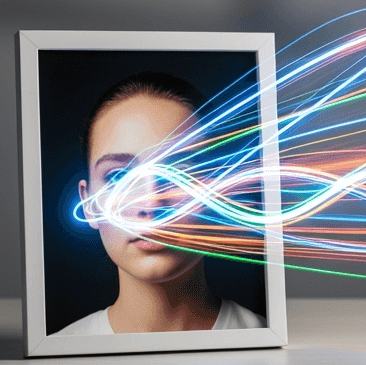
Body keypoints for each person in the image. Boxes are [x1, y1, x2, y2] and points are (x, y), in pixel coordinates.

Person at [54, 71, 264, 335]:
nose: (151, 201)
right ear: (89, 204)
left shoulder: (261, 337)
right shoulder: (63, 354)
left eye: (179, 173)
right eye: (118, 176)